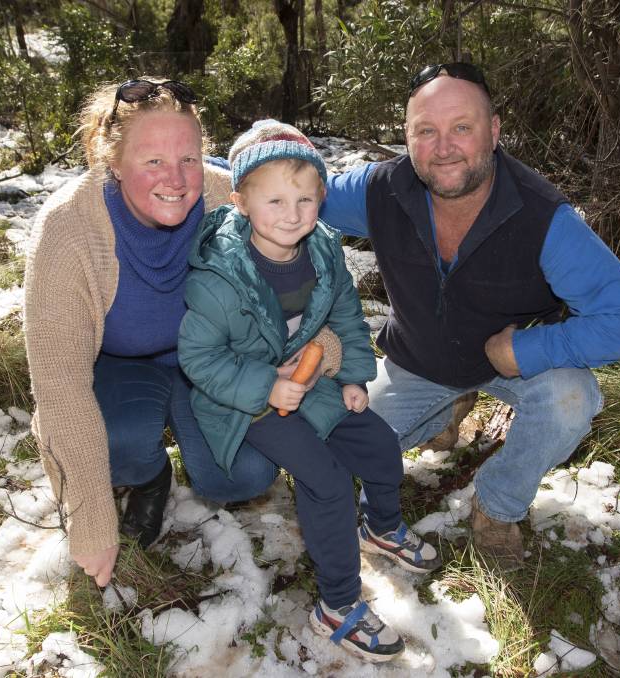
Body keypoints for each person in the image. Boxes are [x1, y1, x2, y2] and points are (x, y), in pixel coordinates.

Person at [319, 63, 620, 567]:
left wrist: (527, 350)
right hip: (418, 361)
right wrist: (196, 171)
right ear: (407, 138)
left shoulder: (544, 218)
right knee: (334, 448)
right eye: (425, 131)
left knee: (570, 397)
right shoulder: (379, 190)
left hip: (510, 367)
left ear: (494, 131)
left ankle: (497, 504)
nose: (444, 146)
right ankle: (443, 412)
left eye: (462, 127)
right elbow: (295, 187)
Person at [23, 79, 342, 589]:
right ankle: (147, 476)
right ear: (113, 162)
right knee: (117, 445)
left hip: (214, 362)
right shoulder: (69, 230)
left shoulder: (228, 199)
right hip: (120, 362)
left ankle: (191, 437)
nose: (175, 179)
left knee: (244, 475)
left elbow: (309, 273)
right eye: (152, 161)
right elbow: (60, 385)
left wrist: (320, 348)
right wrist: (91, 521)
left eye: (189, 159)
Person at [178, 120, 440, 663]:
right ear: (241, 200)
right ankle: (338, 606)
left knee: (378, 442)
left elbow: (344, 314)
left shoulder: (321, 248)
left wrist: (351, 376)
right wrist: (265, 383)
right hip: (243, 398)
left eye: (305, 197)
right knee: (324, 480)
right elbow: (200, 359)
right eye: (274, 198)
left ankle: (383, 525)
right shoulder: (218, 276)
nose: (292, 213)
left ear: (321, 197)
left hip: (309, 377)